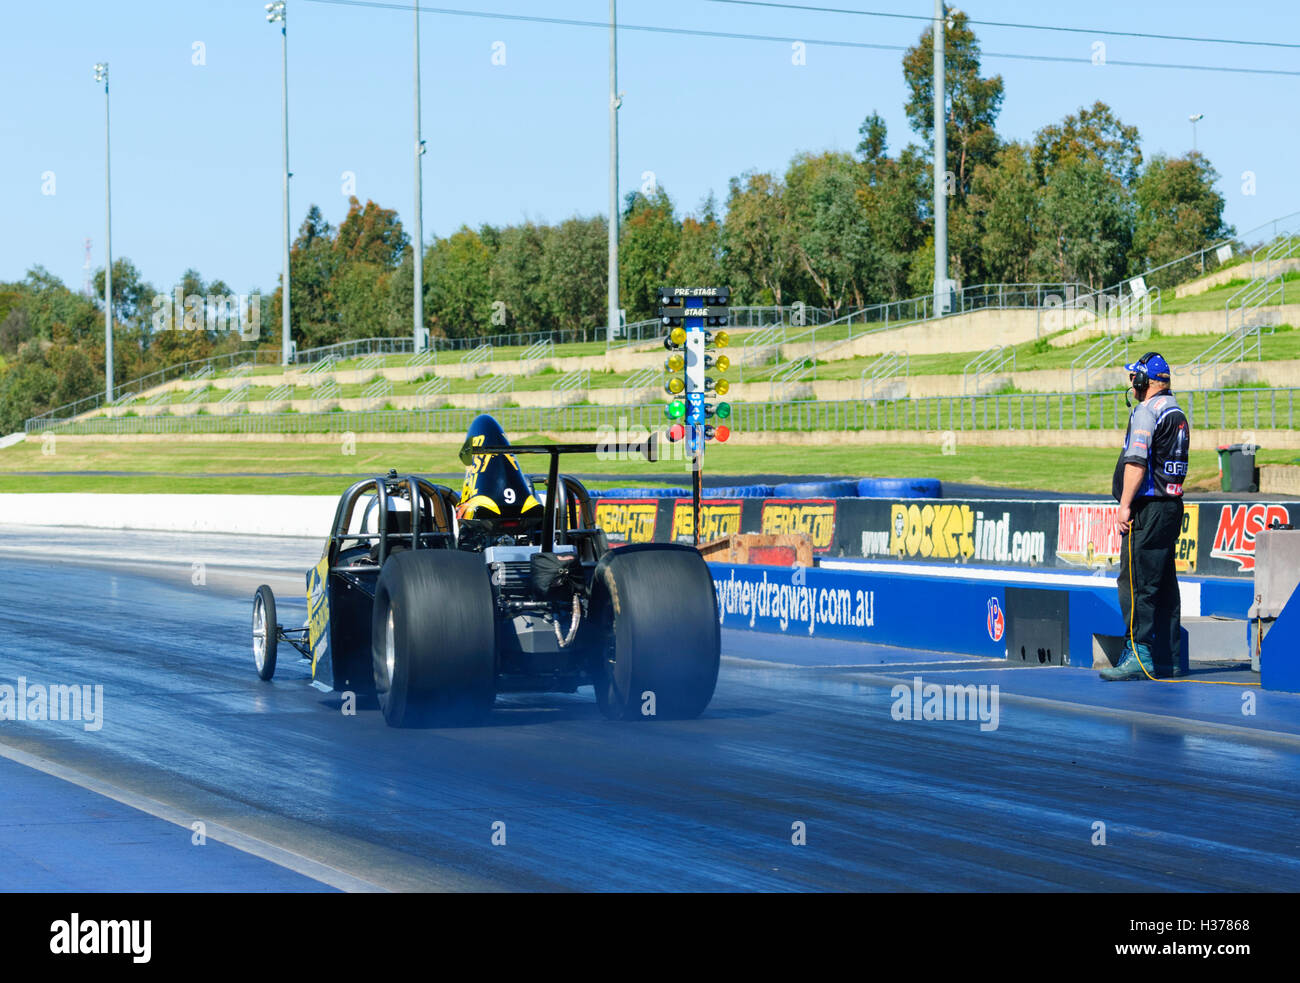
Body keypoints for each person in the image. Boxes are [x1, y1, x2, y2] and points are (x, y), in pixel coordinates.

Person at [1101, 352, 1190, 681]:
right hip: (1171, 507)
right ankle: (1169, 657)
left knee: (1136, 583)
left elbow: (1136, 463)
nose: (1130, 383)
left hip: (1148, 508)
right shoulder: (1176, 410)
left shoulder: (1146, 411)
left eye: (1133, 377)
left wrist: (1124, 504)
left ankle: (1138, 654)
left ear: (1144, 381)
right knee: (1163, 583)